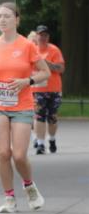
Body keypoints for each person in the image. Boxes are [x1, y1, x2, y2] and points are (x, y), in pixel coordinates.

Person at [0, 3, 50, 213]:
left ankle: (29, 186)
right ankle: (9, 198)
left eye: (7, 16)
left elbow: (45, 72)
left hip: (22, 105)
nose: (2, 20)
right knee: (3, 153)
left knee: (19, 155)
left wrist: (27, 81)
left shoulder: (27, 46)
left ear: (17, 20)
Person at [32, 25, 65, 154]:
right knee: (39, 116)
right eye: (40, 35)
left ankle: (52, 139)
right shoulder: (32, 50)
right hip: (37, 89)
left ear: (48, 37)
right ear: (36, 36)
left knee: (52, 118)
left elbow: (61, 69)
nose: (43, 37)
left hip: (54, 89)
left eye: (45, 35)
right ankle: (40, 144)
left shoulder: (54, 50)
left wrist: (46, 63)